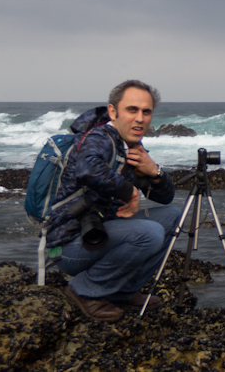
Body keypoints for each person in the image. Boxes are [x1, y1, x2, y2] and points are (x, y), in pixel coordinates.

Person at [48, 79, 182, 322]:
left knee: (173, 217)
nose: (140, 118)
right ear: (113, 111)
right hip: (67, 245)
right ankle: (84, 291)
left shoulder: (129, 147)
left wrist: (155, 171)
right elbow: (88, 168)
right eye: (132, 110)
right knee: (149, 233)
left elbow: (164, 197)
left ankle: (123, 291)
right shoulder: (99, 138)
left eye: (146, 111)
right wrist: (130, 192)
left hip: (99, 235)